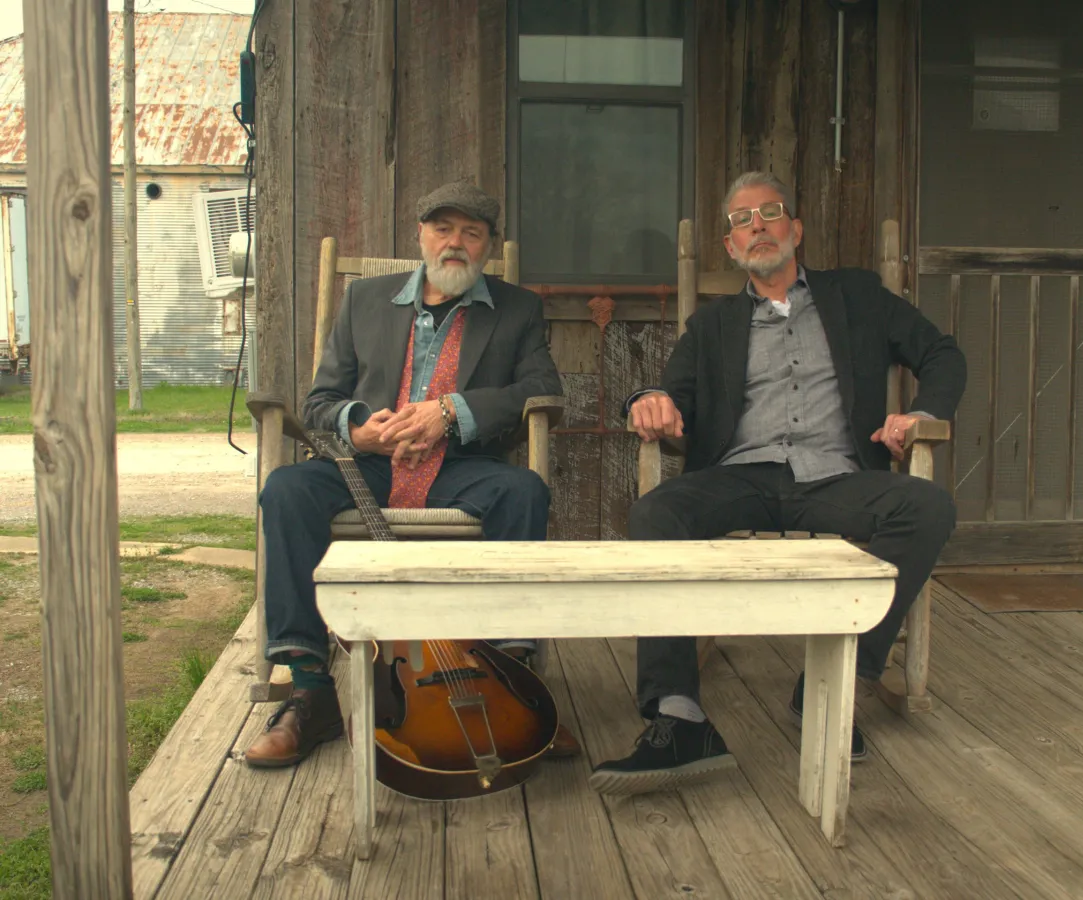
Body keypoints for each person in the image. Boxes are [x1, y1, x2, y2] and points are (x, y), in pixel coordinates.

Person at [589, 171, 966, 795]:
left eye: (770, 212)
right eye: (742, 220)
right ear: (731, 246)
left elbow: (942, 353)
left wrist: (921, 414)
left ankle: (836, 680)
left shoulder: (858, 296)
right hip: (739, 477)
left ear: (796, 229)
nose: (757, 225)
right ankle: (678, 716)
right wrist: (649, 400)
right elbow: (670, 392)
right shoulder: (712, 324)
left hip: (837, 477)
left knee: (928, 508)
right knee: (656, 512)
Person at [245, 181, 580, 767]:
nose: (455, 243)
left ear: (488, 246)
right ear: (421, 235)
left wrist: (451, 411)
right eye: (443, 229)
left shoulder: (517, 309)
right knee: (286, 491)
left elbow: (541, 388)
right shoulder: (365, 300)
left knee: (523, 490)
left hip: (459, 466)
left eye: (471, 233)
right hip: (366, 467)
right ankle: (310, 691)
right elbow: (321, 401)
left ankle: (509, 679)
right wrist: (357, 428)